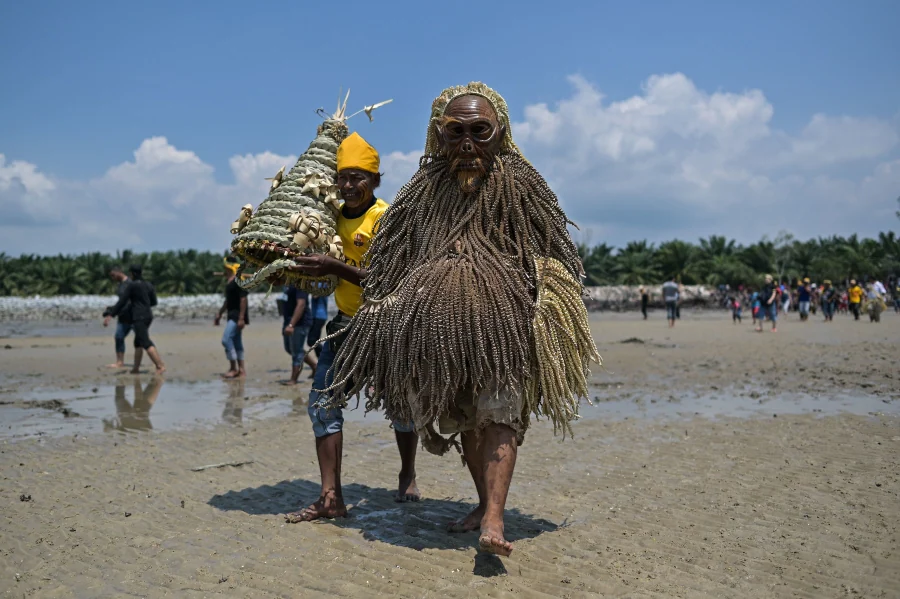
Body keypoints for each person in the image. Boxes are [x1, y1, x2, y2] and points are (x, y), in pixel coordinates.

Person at [324, 84, 600, 556]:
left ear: (500, 134)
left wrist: (547, 306)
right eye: (456, 133)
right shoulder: (419, 196)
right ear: (439, 137)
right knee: (467, 422)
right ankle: (483, 504)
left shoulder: (522, 187)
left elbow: (557, 255)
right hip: (441, 341)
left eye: (480, 131)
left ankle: (495, 518)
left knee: (500, 415)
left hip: (504, 335)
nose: (468, 144)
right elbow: (388, 263)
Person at [281, 132, 421, 523]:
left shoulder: (388, 218)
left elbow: (390, 278)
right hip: (344, 325)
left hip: (388, 324)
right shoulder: (329, 218)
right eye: (343, 177)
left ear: (376, 180)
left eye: (358, 177)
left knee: (400, 405)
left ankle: (407, 472)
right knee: (322, 403)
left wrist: (336, 267)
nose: (348, 185)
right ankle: (331, 498)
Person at [107, 265, 165, 373]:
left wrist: (111, 314)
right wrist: (143, 304)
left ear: (132, 274)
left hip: (139, 317)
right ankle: (135, 368)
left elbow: (122, 301)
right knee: (137, 342)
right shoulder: (149, 285)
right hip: (148, 315)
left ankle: (160, 366)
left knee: (145, 341)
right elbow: (154, 302)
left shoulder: (132, 286)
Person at [214, 261, 248, 379]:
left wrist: (241, 318)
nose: (225, 270)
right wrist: (220, 313)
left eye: (226, 269)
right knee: (237, 342)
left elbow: (243, 299)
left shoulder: (239, 281)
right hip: (232, 314)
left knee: (226, 339)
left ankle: (233, 368)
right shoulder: (229, 283)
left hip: (237, 316)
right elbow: (228, 301)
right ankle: (241, 370)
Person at [281, 284, 317, 385]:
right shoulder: (287, 284)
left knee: (296, 352)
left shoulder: (300, 284)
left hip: (299, 322)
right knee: (290, 349)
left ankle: (294, 379)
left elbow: (301, 304)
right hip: (288, 321)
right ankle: (315, 366)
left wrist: (292, 324)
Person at [102, 266, 133, 368]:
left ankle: (157, 363)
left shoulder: (130, 283)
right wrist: (112, 310)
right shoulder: (120, 285)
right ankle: (119, 362)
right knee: (118, 337)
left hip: (134, 316)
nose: (112, 278)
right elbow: (121, 302)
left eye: (113, 275)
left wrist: (113, 313)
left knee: (143, 340)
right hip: (123, 317)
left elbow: (128, 302)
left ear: (119, 272)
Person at [307, 294, 329, 359]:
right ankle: (321, 358)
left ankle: (326, 356)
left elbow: (315, 295)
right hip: (317, 316)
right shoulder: (323, 285)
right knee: (313, 341)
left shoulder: (320, 285)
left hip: (319, 316)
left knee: (312, 340)